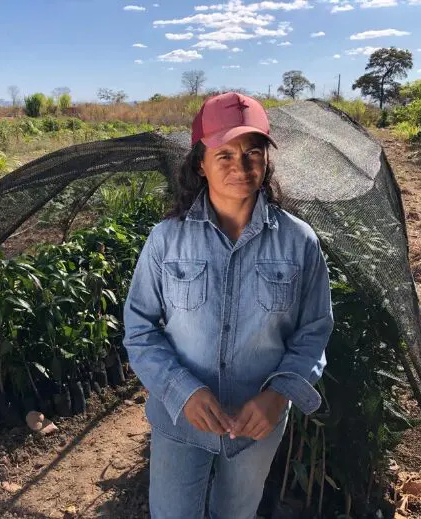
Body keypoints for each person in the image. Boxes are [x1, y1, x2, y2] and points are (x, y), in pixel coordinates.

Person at [122, 91, 334, 519]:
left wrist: (278, 395)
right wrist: (184, 391)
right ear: (200, 164)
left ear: (266, 162)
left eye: (252, 153)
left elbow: (314, 330)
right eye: (224, 155)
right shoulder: (167, 240)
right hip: (179, 420)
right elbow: (140, 328)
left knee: (235, 513)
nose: (241, 166)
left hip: (257, 427)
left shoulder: (299, 242)